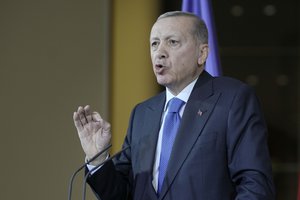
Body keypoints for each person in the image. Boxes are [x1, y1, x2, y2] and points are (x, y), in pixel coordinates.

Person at [73, 11, 275, 200]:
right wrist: (97, 158)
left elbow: (255, 186)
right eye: (154, 44)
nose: (159, 52)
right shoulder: (143, 113)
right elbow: (121, 193)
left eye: (172, 42)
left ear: (202, 53)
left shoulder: (233, 99)